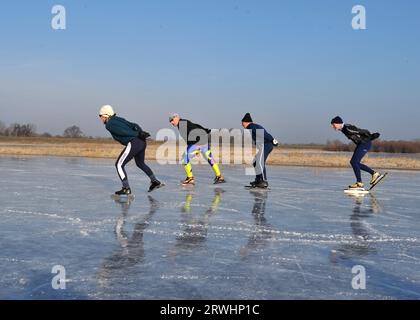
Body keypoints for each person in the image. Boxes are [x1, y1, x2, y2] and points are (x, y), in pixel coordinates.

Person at [99, 105, 164, 194]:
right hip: (142, 141)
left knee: (119, 164)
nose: (100, 118)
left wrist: (136, 134)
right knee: (140, 163)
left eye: (101, 116)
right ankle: (154, 181)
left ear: (106, 115)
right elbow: (134, 125)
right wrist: (141, 132)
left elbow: (123, 132)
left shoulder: (109, 124)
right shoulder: (118, 119)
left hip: (134, 142)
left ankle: (126, 188)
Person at [169, 113, 225, 185]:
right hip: (204, 140)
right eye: (170, 121)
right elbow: (196, 126)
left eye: (172, 120)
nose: (171, 122)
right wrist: (206, 130)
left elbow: (188, 138)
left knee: (184, 159)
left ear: (176, 118)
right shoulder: (185, 122)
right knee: (209, 158)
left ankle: (190, 178)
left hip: (197, 142)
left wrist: (196, 149)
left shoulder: (181, 124)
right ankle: (219, 176)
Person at [331, 116, 382, 189]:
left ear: (338, 123)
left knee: (354, 162)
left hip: (365, 143)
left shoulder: (347, 128)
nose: (332, 126)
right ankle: (373, 174)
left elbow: (360, 131)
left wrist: (371, 136)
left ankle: (360, 182)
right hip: (361, 144)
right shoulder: (344, 129)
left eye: (333, 124)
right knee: (354, 162)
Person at [241, 113, 278, 188]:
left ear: (246, 122)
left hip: (266, 145)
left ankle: (263, 181)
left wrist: (273, 139)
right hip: (263, 145)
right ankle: (258, 180)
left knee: (259, 162)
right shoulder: (251, 127)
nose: (242, 124)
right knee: (255, 162)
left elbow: (263, 133)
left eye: (242, 122)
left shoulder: (252, 126)